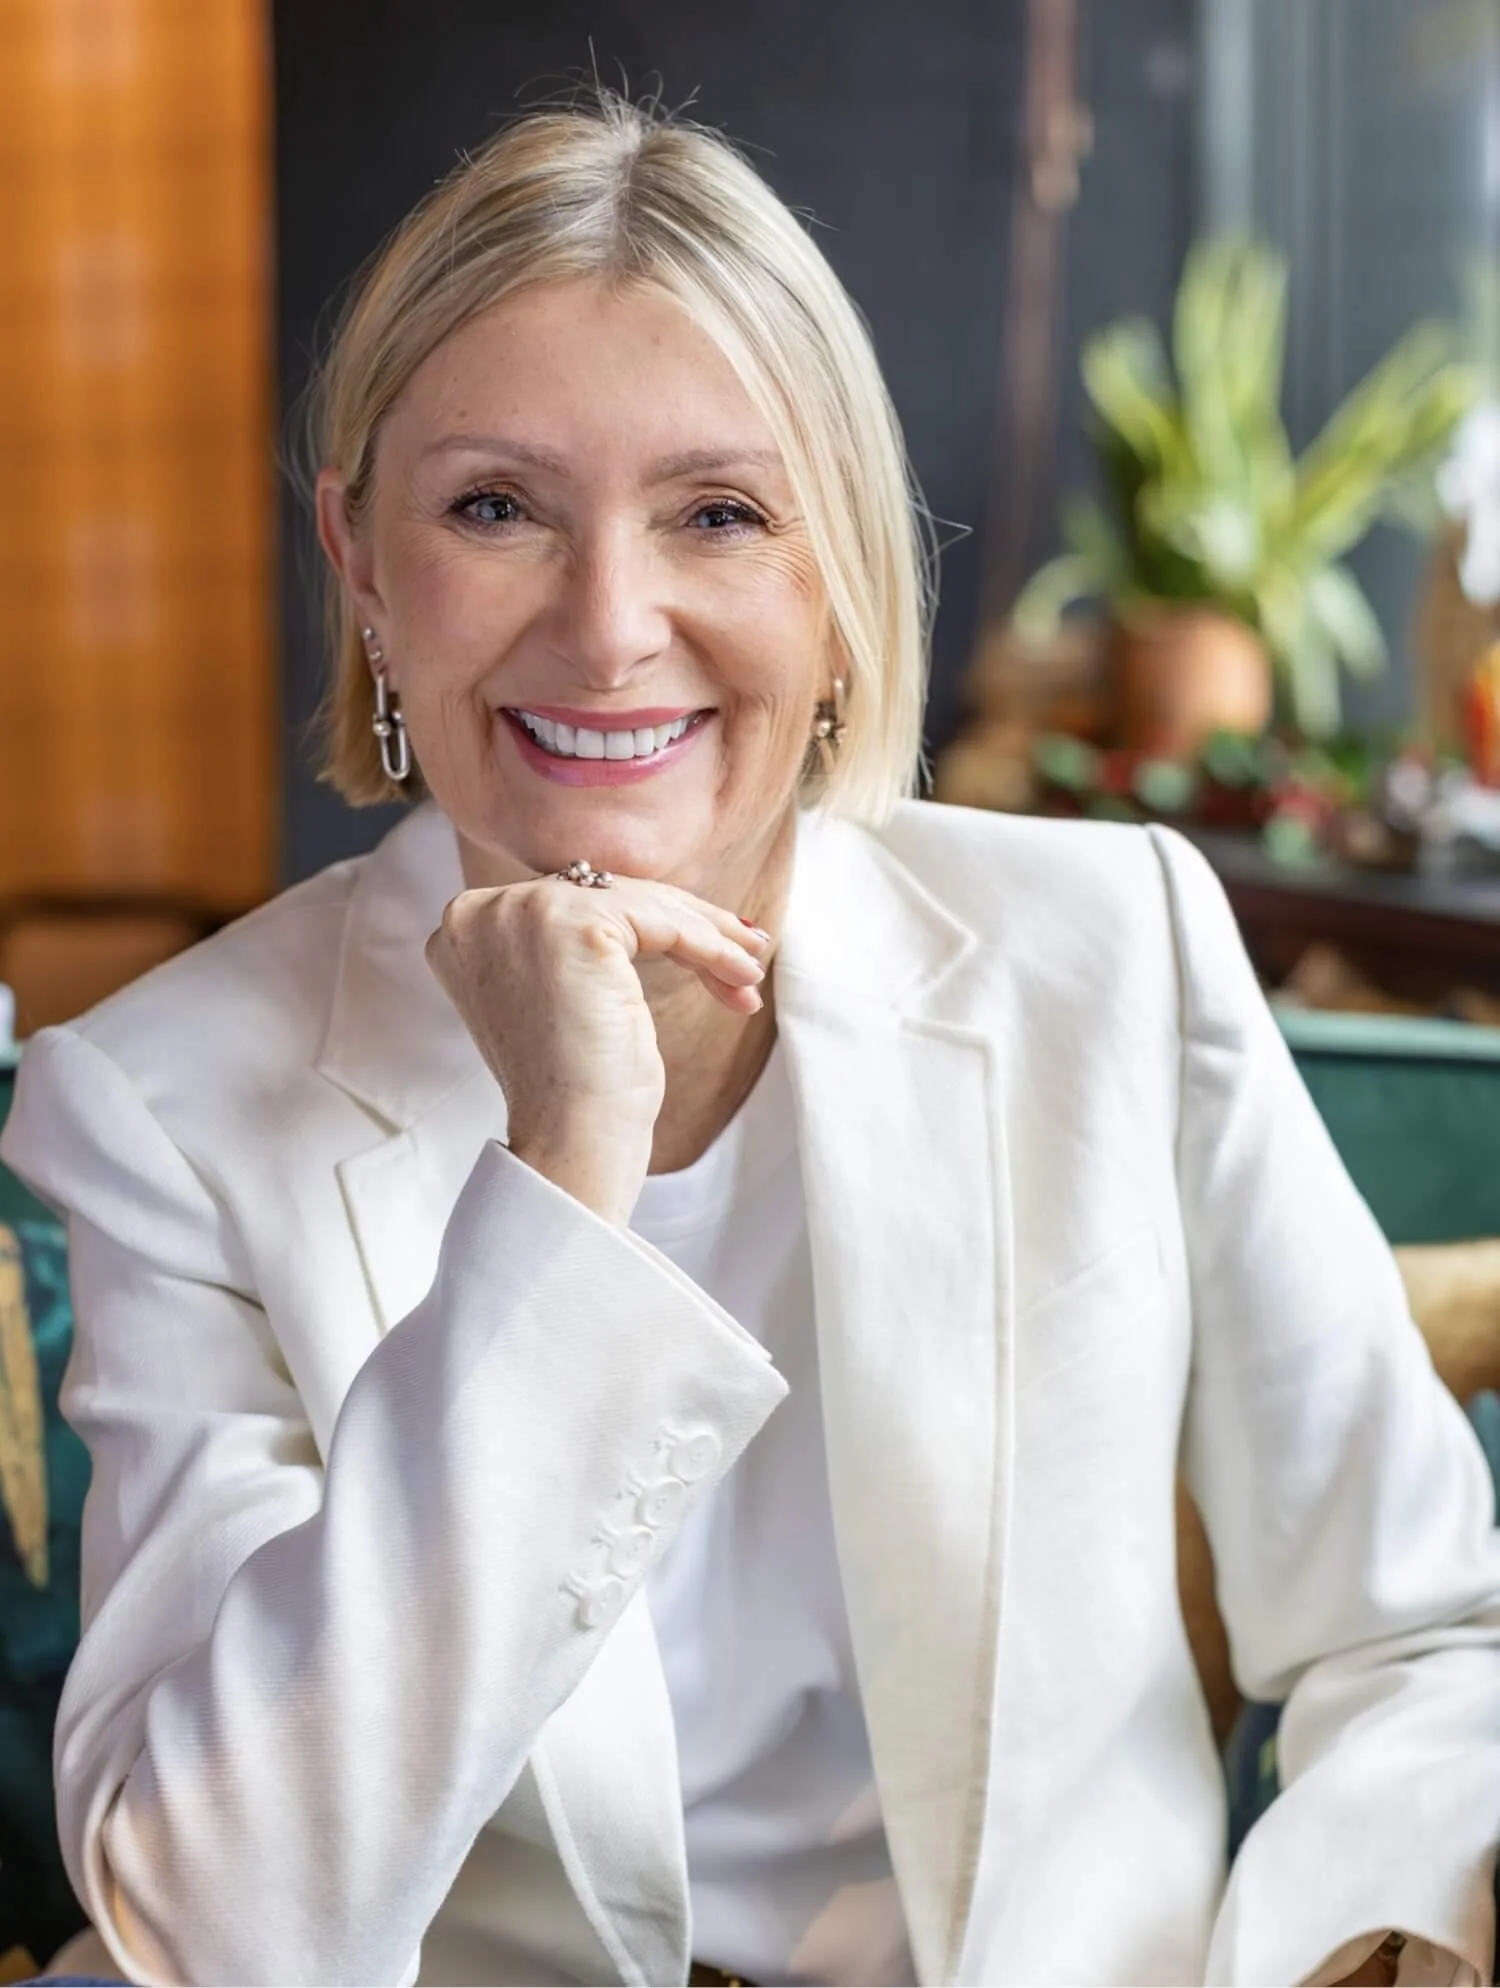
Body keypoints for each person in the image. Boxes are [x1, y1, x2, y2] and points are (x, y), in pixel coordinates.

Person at [3, 94, 1498, 1988]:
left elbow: (1422, 1631)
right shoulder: (158, 1103)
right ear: (363, 567)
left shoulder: (1115, 952)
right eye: (494, 509)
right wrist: (564, 1181)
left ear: (839, 577)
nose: (611, 627)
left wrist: (1357, 1950)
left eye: (717, 513)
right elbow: (211, 1931)